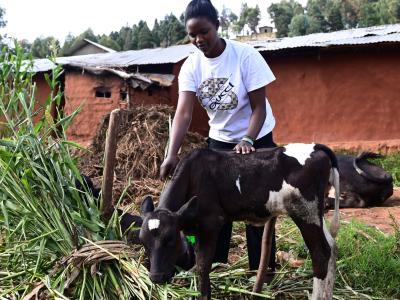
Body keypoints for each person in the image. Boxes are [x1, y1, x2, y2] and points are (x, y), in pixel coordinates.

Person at [160, 0, 277, 272]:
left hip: (256, 140)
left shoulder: (245, 56)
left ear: (218, 26)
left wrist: (247, 140)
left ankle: (262, 271)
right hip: (219, 144)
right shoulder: (191, 67)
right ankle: (218, 268)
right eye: (192, 34)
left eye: (204, 32)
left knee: (257, 209)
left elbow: (259, 108)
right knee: (214, 210)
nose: (198, 39)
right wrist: (171, 154)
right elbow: (183, 114)